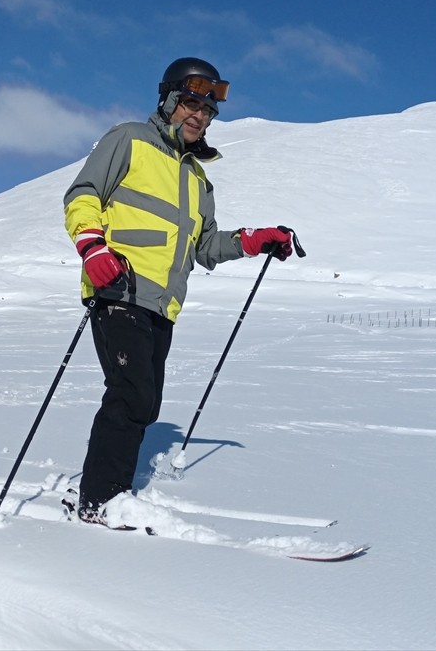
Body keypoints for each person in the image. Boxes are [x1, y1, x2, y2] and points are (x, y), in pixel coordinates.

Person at [62, 57, 294, 524]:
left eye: (208, 111)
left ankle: (102, 486)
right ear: (169, 101)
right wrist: (93, 249)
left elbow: (205, 246)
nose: (199, 116)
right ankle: (98, 502)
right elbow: (82, 194)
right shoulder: (129, 139)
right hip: (118, 286)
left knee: (145, 404)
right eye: (191, 103)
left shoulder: (198, 179)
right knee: (131, 395)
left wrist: (252, 240)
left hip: (161, 305)